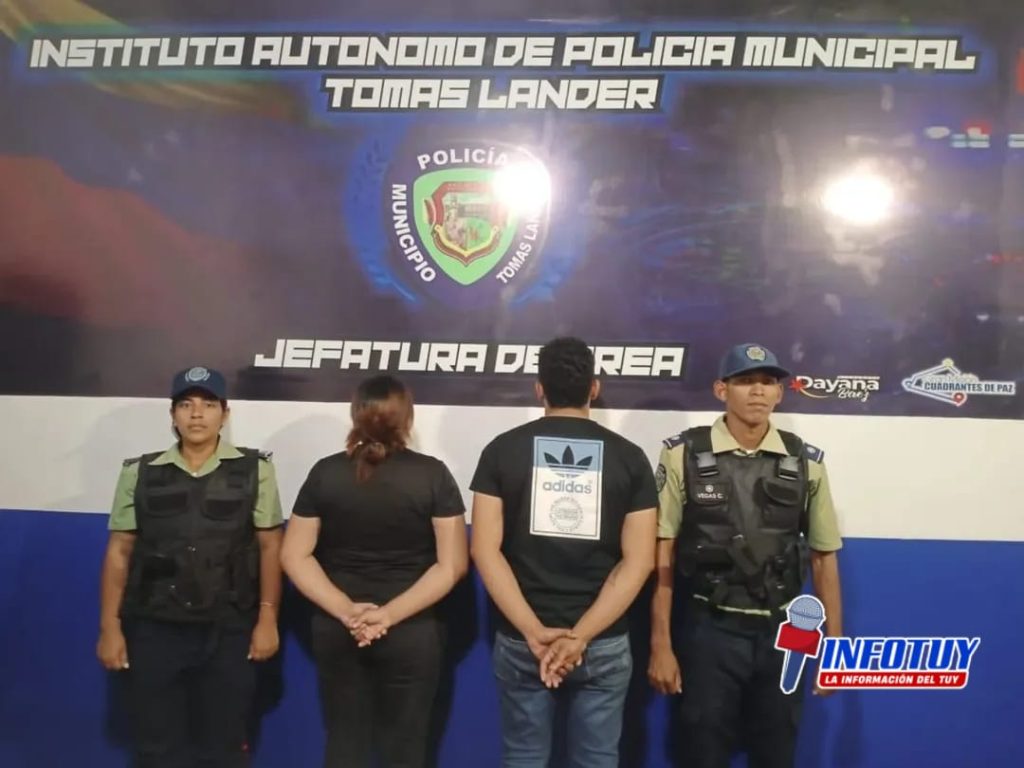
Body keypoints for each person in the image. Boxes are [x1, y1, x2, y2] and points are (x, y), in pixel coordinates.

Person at [647, 343, 844, 768]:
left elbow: (824, 556)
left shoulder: (805, 461)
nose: (758, 391)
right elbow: (663, 552)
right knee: (702, 753)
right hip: (708, 631)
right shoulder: (682, 454)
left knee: (777, 754)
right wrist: (661, 643)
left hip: (785, 635)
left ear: (780, 393)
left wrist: (835, 648)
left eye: (768, 382)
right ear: (721, 390)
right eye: (745, 381)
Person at [470, 336, 657, 768]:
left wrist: (533, 631)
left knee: (523, 758)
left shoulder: (501, 451)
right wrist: (581, 637)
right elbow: (639, 561)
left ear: (539, 389)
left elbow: (484, 550)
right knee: (597, 760)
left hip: (523, 640)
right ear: (594, 388)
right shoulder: (631, 459)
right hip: (602, 640)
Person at [96, 365, 284, 767]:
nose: (197, 414)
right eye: (186, 404)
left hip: (229, 629)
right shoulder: (139, 472)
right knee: (156, 748)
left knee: (224, 747)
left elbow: (270, 546)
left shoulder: (256, 470)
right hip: (155, 628)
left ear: (225, 414)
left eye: (208, 404)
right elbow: (119, 552)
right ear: (173, 414)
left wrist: (268, 618)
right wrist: (110, 628)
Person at [280, 375, 468, 768]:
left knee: (344, 744)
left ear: (356, 415)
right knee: (406, 751)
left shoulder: (326, 473)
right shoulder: (432, 475)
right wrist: (387, 616)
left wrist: (348, 611)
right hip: (412, 632)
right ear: (407, 418)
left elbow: (294, 556)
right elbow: (452, 566)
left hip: (340, 629)